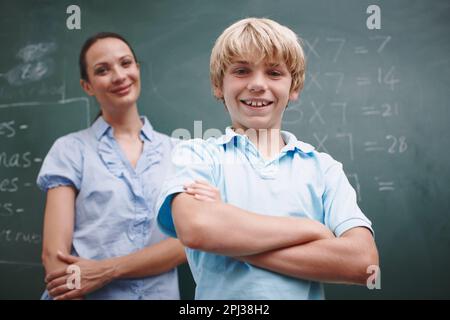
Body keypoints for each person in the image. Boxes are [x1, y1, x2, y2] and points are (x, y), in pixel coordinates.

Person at [156, 18, 379, 299]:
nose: (258, 84)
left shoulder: (323, 169)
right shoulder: (197, 155)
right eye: (241, 71)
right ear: (217, 84)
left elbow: (363, 264)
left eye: (274, 73)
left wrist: (226, 227)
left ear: (294, 86)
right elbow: (197, 229)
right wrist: (312, 230)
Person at [37, 32, 188, 300]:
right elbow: (54, 256)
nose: (119, 76)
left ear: (137, 69)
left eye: (126, 63)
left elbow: (187, 243)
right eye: (103, 70)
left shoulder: (179, 152)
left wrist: (107, 270)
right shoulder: (70, 150)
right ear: (87, 86)